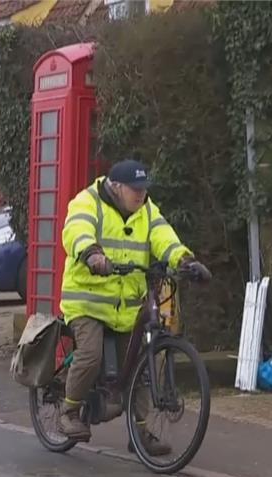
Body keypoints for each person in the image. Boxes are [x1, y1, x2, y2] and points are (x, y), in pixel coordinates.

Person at [57, 159, 211, 455]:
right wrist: (91, 253)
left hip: (126, 306)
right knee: (90, 355)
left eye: (143, 189)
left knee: (143, 363)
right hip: (87, 300)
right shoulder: (88, 202)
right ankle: (69, 411)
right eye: (134, 189)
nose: (140, 195)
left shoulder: (147, 211)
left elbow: (163, 236)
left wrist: (185, 260)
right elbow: (76, 230)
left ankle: (141, 434)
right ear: (116, 187)